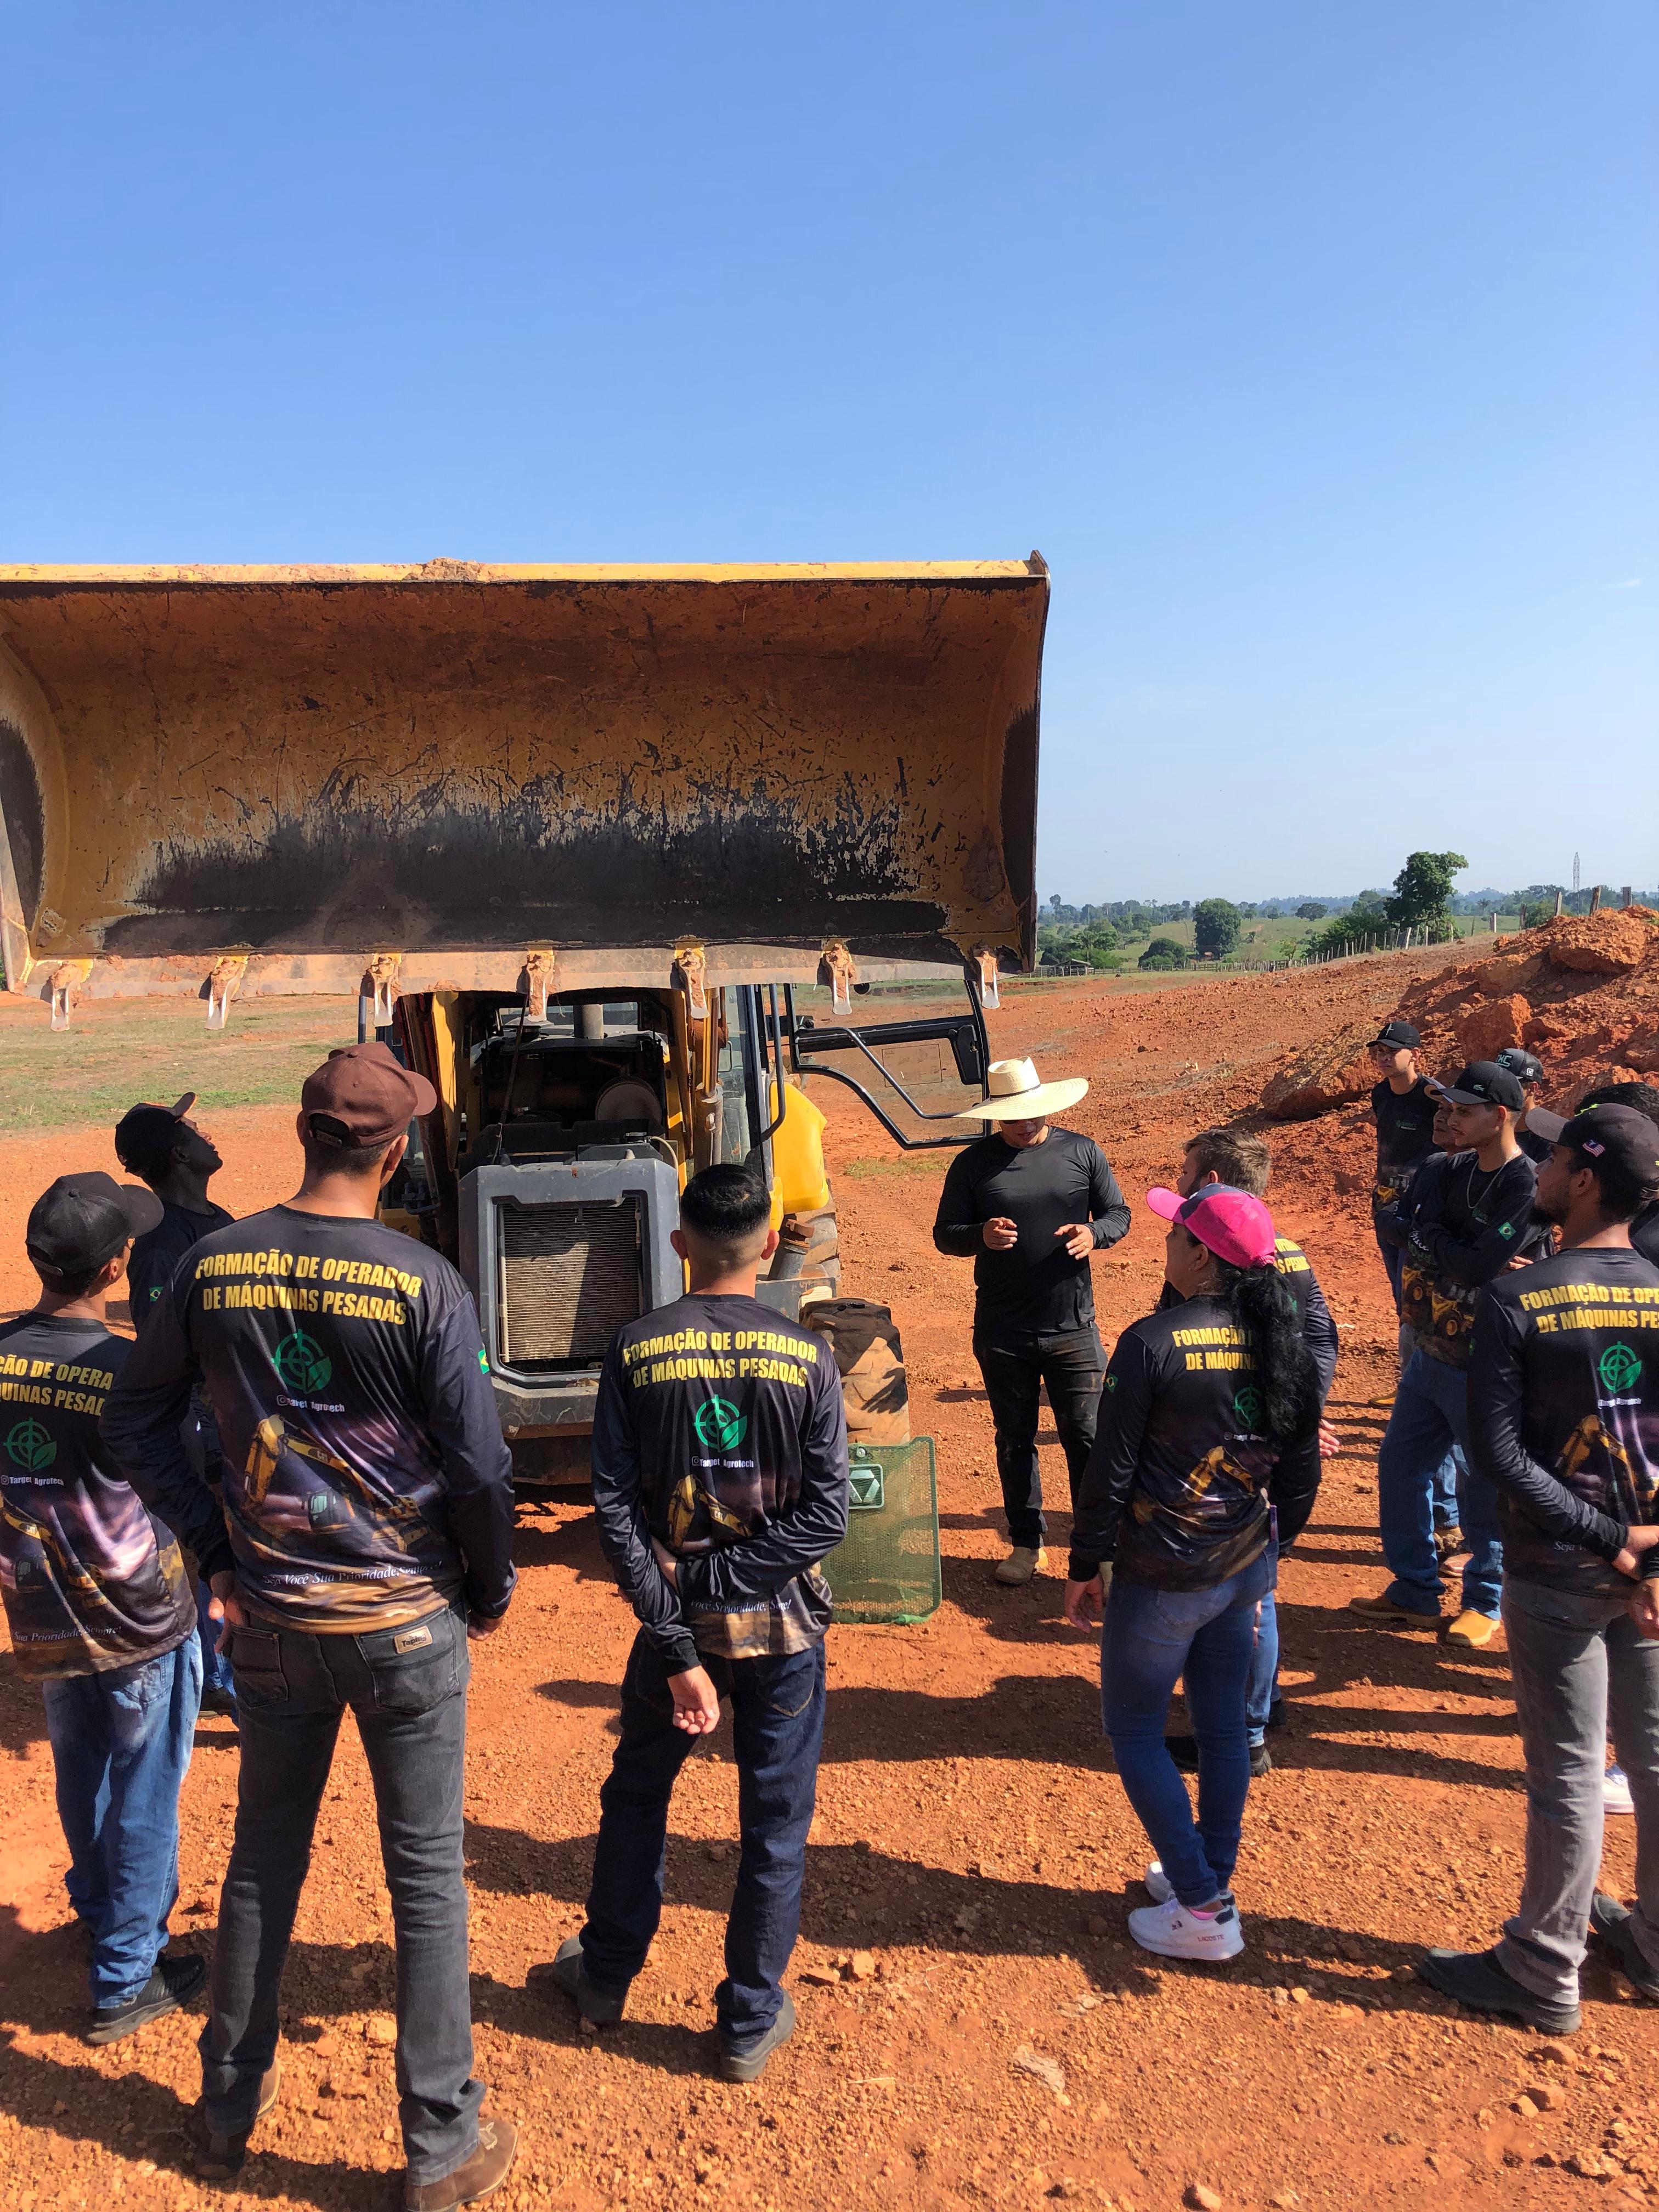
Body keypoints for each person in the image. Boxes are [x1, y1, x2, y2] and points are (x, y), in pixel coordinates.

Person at [102, 1043, 518, 2208]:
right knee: (427, 1880)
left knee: (260, 1865)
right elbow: (481, 1468)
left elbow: (138, 1419)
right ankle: (440, 2148)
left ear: (301, 1134)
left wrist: (221, 1547)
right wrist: (486, 1588)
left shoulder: (212, 1264)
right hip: (403, 1624)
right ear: (394, 1154)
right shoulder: (421, 1280)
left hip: (273, 1626)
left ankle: (227, 2108)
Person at [534, 1165, 848, 2081]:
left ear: (679, 1245)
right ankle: (748, 2020)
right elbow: (824, 1515)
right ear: (769, 1241)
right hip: (784, 1636)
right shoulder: (807, 1357)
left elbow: (616, 1511)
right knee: (774, 1826)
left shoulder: (635, 1349)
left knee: (636, 1797)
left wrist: (681, 1624)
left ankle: (603, 1976)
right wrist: (732, 1577)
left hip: (673, 1641)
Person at [1419, 1104, 1659, 2033]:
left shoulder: (1519, 1297)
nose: (1542, 1170)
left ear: (1585, 1178)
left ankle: (1541, 1963)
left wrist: (1606, 1540)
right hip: (1644, 1570)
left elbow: (1496, 1455)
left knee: (1565, 1768)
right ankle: (1649, 1942)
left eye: (1556, 1157)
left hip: (1558, 1565)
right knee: (1650, 1754)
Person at [1064, 1184, 1321, 1962]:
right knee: (1221, 1733)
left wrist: (1085, 1563)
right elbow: (1302, 1475)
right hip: (1242, 1571)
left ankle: (1204, 1906)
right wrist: (1268, 1550)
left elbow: (1109, 1473)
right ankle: (1207, 1875)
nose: (1165, 1243)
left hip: (1161, 1575)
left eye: (1175, 1232)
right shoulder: (1288, 1343)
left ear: (1202, 1255)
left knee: (1136, 1729)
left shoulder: (1151, 1342)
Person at [0, 1172, 207, 2044]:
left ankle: (97, 1906)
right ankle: (126, 1975)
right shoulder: (130, 1370)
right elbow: (191, 1476)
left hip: (37, 1607)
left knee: (80, 1763)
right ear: (120, 1267)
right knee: (146, 1780)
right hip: (136, 1617)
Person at [1155, 1127, 1339, 1776]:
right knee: (1258, 1585)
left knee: (1247, 1591)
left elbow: (1182, 1361)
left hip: (1232, 1450)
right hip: (1274, 1443)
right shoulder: (1287, 1252)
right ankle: (1260, 1707)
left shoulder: (1204, 1257)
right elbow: (1318, 1339)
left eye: (1184, 1171)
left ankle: (1245, 1734)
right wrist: (1298, 1412)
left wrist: (1292, 1415)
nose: (1176, 1182)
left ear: (1209, 1184)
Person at [1352, 1062, 1538, 1648]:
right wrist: (1450, 1246)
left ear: (1500, 1116)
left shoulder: (1525, 1184)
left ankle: (1484, 1601)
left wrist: (1436, 1242)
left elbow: (1473, 1263)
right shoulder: (1444, 1167)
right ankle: (1415, 1590)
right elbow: (1396, 1223)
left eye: (1462, 1109)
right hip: (1430, 1351)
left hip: (1486, 1362)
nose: (1448, 1117)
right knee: (1401, 1468)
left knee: (1484, 1486)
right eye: (1448, 1107)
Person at [933, 1057, 1130, 1583]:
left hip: (1073, 1326)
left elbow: (1119, 1214)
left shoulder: (1082, 1152)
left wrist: (1096, 1235)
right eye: (1014, 1116)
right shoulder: (973, 1165)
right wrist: (980, 1236)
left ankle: (1100, 1552)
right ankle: (1026, 1544)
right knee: (1014, 1437)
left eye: (1033, 1113)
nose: (1025, 1124)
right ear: (998, 1115)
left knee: (1087, 1437)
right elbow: (945, 1233)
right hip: (1003, 1330)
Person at [115, 1092, 238, 1716]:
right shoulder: (163, 1245)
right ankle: (221, 1678)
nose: (205, 1132)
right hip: (203, 1420)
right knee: (211, 1543)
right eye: (192, 1129)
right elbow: (166, 1346)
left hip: (231, 1410)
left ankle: (224, 1669)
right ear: (179, 1154)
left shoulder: (217, 1220)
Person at [1368, 1020, 1436, 1313]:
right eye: (1380, 1051)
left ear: (1415, 1055)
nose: (1384, 1057)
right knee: (1397, 1286)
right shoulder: (1380, 1093)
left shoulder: (1433, 1097)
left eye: (1393, 1051)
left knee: (1415, 1285)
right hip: (1385, 1198)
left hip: (1419, 1202)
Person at [1495, 1048, 1552, 1166]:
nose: (1497, 1091)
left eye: (1508, 1085)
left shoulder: (1550, 1138)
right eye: (1495, 1083)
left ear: (1532, 1089)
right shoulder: (1489, 1128)